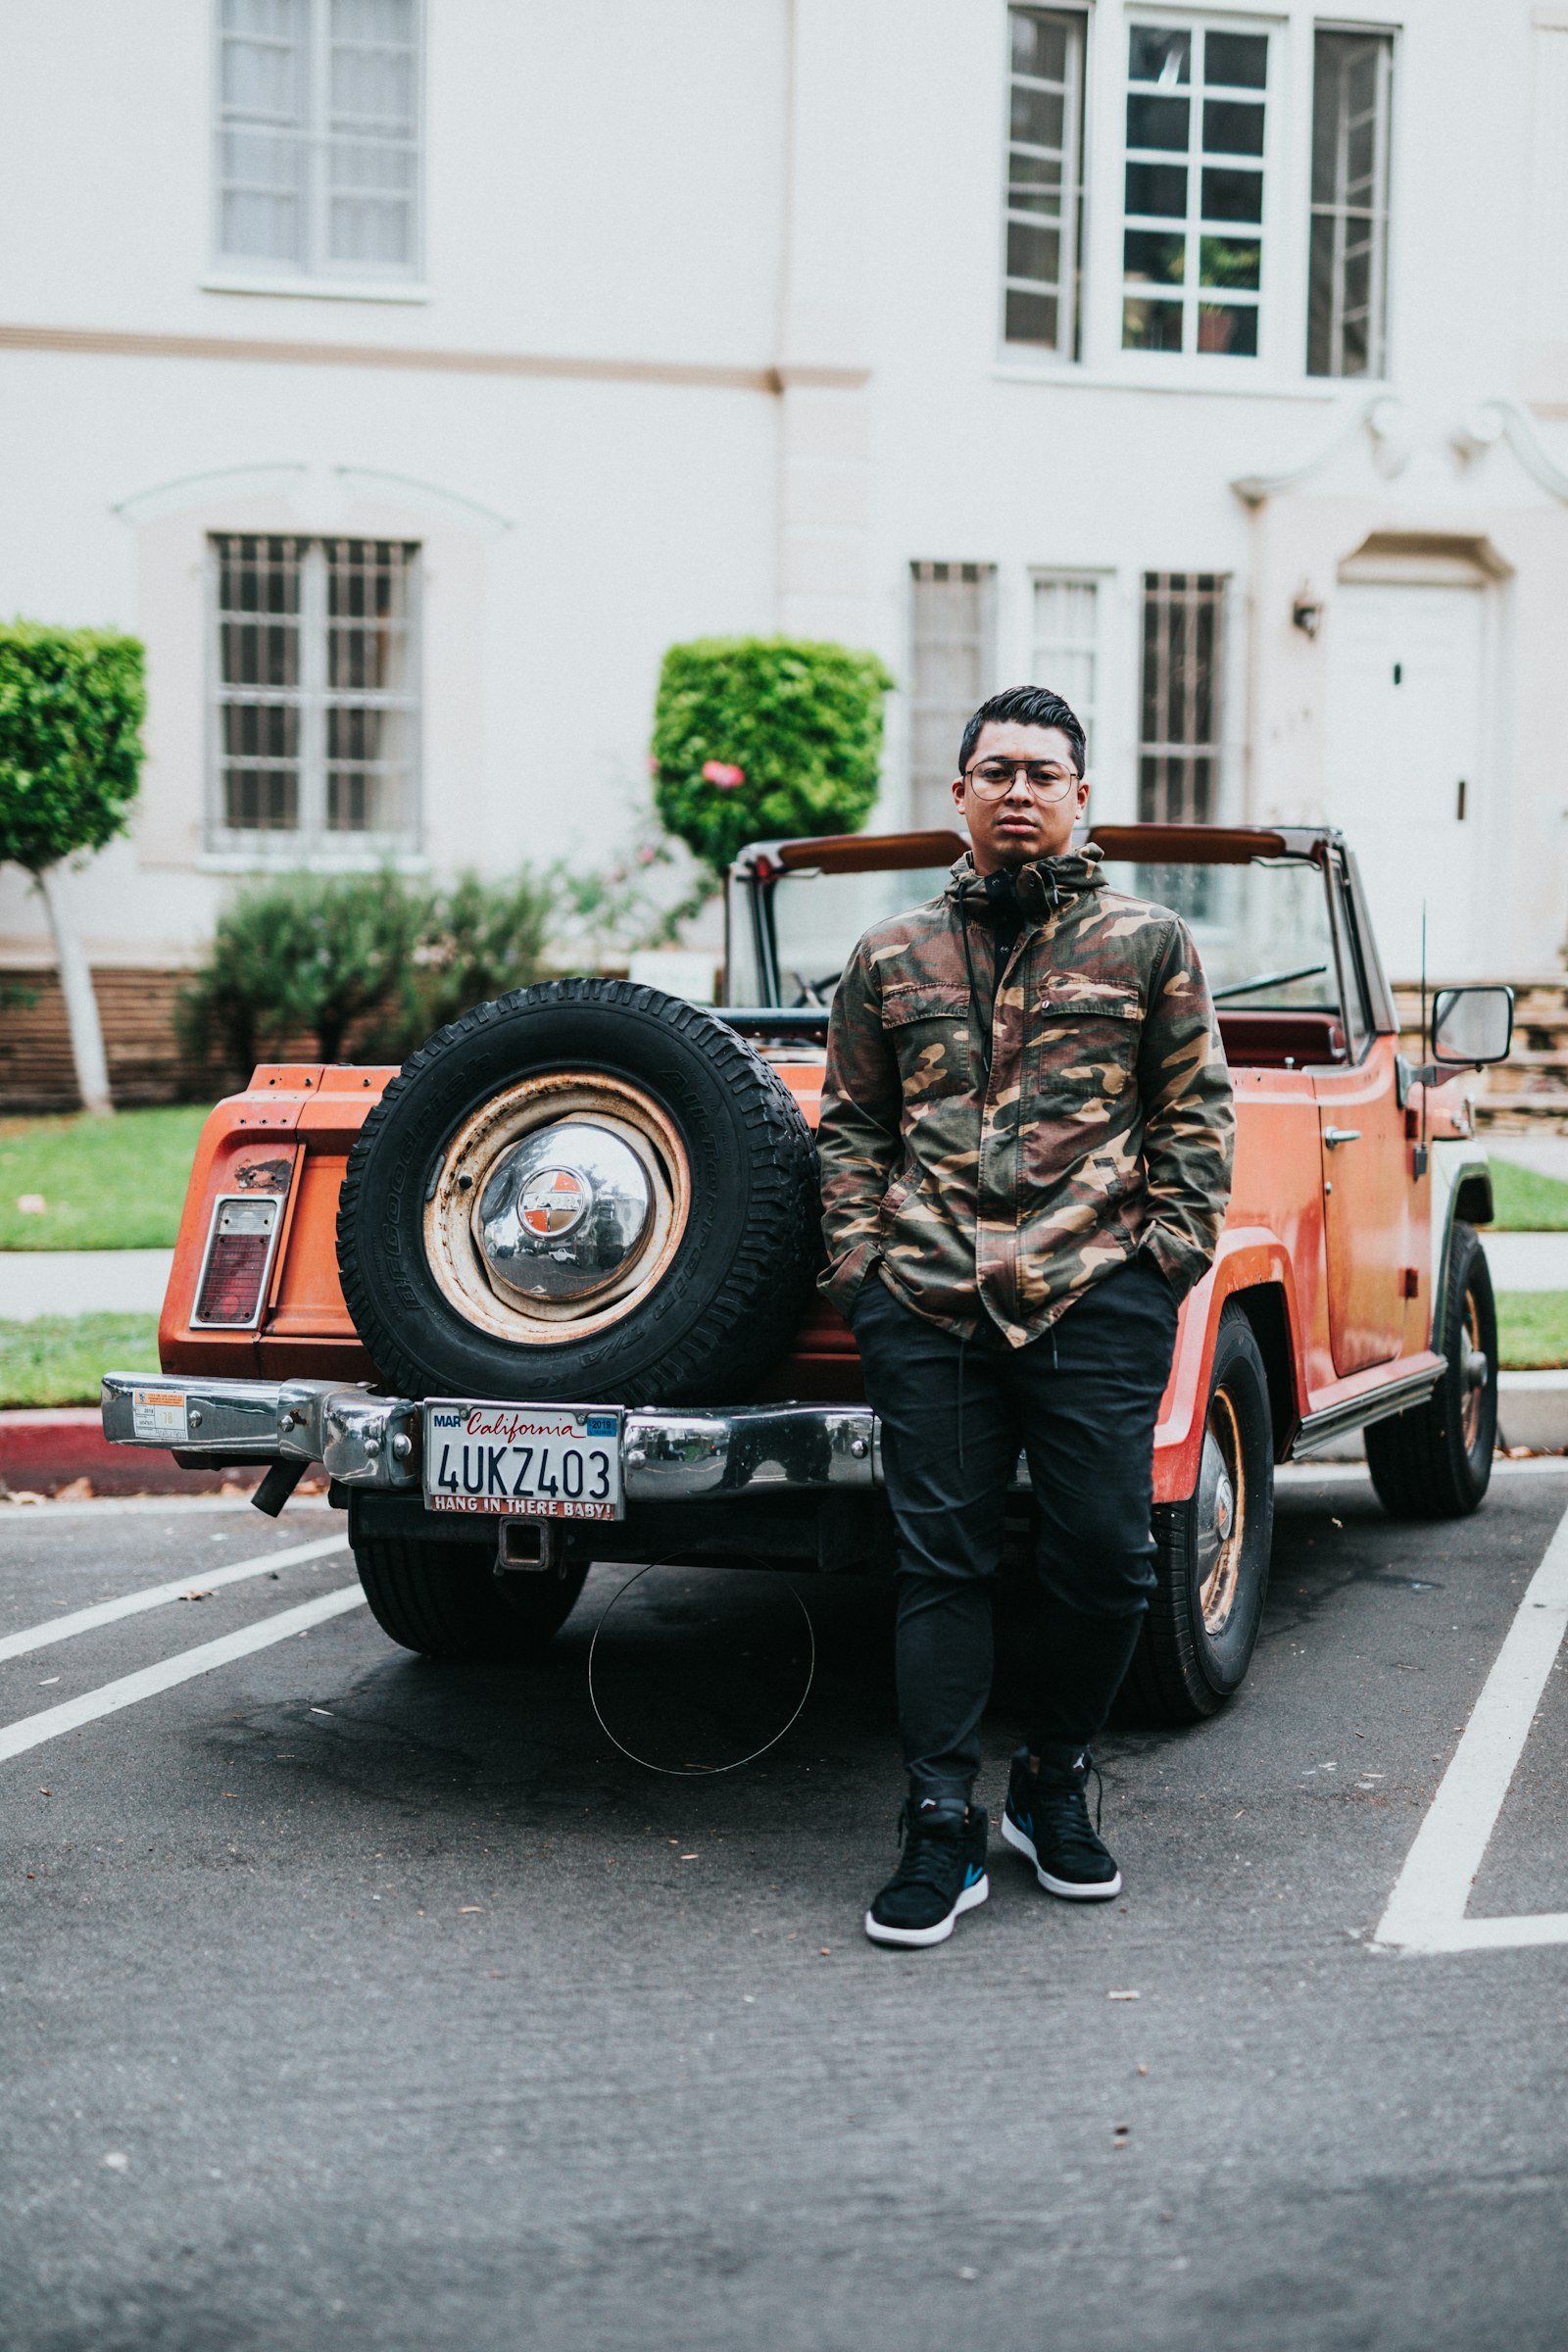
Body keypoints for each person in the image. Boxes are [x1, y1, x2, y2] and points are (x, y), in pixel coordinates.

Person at [816, 685, 1235, 1948]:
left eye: (1043, 773)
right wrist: (861, 1272)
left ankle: (1054, 1781)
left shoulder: (1148, 943)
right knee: (939, 1564)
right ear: (957, 794)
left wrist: (1164, 1260)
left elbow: (1196, 1117)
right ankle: (940, 1819)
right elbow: (851, 1126)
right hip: (928, 1299)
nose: (1018, 792)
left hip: (1095, 1295)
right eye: (995, 771)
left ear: (1079, 797)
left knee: (1108, 1560)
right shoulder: (891, 954)